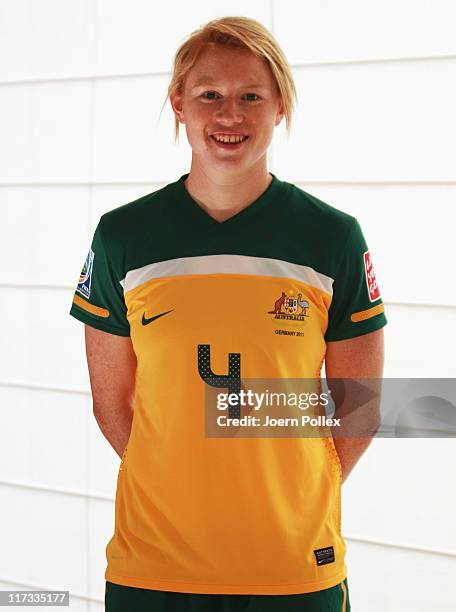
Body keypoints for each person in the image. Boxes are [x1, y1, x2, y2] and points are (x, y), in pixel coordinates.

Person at [69, 15, 386, 612]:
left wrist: (290, 494)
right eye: (209, 95)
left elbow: (360, 403)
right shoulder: (122, 236)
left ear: (280, 107)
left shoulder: (332, 237)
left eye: (251, 97)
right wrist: (180, 481)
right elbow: (113, 403)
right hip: (153, 567)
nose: (229, 115)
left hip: (292, 567)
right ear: (179, 105)